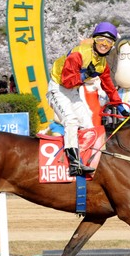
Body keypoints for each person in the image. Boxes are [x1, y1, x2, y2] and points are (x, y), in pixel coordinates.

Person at [46, 21, 122, 176]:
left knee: (88, 124)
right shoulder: (78, 54)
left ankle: (88, 159)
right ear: (94, 40)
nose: (104, 44)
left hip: (73, 91)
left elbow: (109, 86)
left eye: (109, 41)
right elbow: (67, 81)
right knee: (71, 120)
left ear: (112, 45)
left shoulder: (102, 64)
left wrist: (120, 106)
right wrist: (84, 75)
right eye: (101, 39)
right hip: (58, 89)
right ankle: (74, 164)